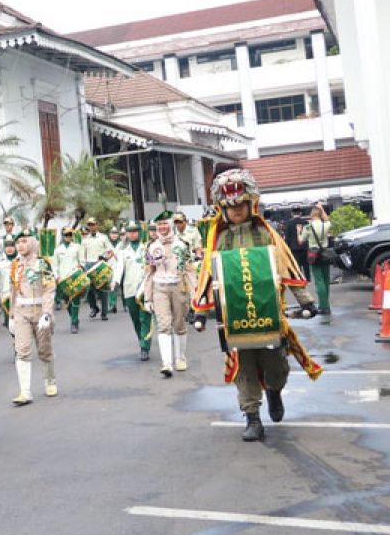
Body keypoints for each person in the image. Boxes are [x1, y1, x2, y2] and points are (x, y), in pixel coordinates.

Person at [194, 169, 321, 442]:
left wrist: (306, 301)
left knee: (276, 367)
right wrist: (201, 312)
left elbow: (287, 264)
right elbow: (208, 273)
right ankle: (252, 417)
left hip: (268, 313)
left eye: (240, 204)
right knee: (244, 368)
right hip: (235, 318)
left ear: (250, 204)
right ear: (222, 208)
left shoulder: (266, 234)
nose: (236, 210)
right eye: (230, 206)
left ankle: (274, 392)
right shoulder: (219, 239)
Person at [7, 230, 58, 406]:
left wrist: (47, 313)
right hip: (21, 311)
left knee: (44, 349)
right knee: (21, 349)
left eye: (24, 241)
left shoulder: (43, 264)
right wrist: (11, 315)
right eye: (18, 242)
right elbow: (12, 291)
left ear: (32, 243)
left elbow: (49, 289)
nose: (20, 245)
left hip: (39, 311)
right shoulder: (14, 265)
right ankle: (25, 391)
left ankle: (50, 380)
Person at [143, 212, 194, 378]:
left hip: (178, 285)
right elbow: (149, 273)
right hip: (159, 287)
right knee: (163, 325)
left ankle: (180, 358)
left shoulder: (182, 244)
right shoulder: (151, 246)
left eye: (165, 224)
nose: (162, 228)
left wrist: (195, 294)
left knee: (179, 323)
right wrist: (147, 297)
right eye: (159, 225)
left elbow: (189, 270)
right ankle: (167, 363)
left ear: (170, 225)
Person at [112, 222, 152, 360]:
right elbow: (119, 268)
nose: (132, 234)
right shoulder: (123, 252)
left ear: (139, 232)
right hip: (129, 289)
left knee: (145, 317)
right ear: (127, 234)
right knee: (135, 319)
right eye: (130, 232)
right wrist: (115, 281)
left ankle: (144, 346)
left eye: (135, 231)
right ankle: (142, 339)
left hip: (145, 288)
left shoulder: (146, 248)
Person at [298, 203, 333, 324]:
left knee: (319, 281)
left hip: (314, 255)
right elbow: (327, 219)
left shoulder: (308, 227)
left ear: (312, 215)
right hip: (325, 254)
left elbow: (301, 241)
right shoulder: (325, 225)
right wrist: (322, 208)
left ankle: (324, 307)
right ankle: (326, 304)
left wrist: (299, 231)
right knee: (326, 279)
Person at [79, 218, 114, 320]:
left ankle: (104, 313)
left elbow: (111, 251)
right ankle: (94, 308)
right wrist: (83, 266)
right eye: (89, 225)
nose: (91, 227)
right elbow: (82, 255)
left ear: (97, 225)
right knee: (88, 289)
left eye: (93, 224)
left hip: (100, 264)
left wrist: (105, 258)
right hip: (89, 264)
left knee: (103, 289)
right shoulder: (85, 240)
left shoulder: (103, 238)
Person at [52, 227, 83, 334]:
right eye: (66, 235)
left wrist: (80, 267)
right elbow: (55, 265)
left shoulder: (77, 247)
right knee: (67, 301)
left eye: (70, 234)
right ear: (63, 236)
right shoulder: (58, 250)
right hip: (63, 279)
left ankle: (74, 322)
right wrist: (57, 277)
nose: (68, 236)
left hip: (75, 277)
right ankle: (74, 317)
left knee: (75, 300)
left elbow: (82, 261)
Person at [105, 226, 122, 314]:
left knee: (114, 286)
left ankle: (113, 304)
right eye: (112, 233)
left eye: (116, 233)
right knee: (109, 286)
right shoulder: (106, 244)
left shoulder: (121, 244)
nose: (114, 235)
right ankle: (111, 304)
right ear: (109, 234)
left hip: (118, 267)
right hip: (108, 267)